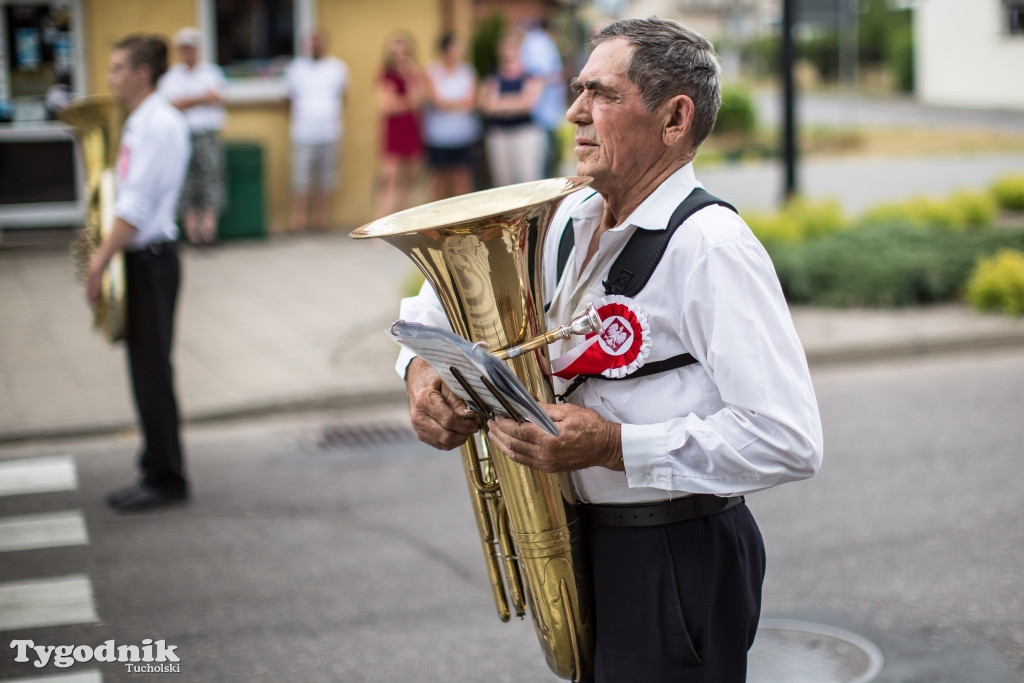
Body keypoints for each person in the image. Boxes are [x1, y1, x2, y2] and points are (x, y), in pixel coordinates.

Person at [396, 17, 823, 681]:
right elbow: (430, 304)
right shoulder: (567, 213)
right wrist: (421, 376)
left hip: (677, 552)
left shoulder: (712, 246)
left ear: (675, 118)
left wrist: (614, 445)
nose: (573, 113)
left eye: (603, 95)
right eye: (577, 91)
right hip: (586, 539)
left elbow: (788, 438)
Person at [91, 34, 191, 512]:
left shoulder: (157, 124)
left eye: (116, 68)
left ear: (141, 74)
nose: (110, 78)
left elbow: (136, 205)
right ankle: (155, 465)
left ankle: (166, 477)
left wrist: (99, 257)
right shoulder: (142, 121)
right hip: (143, 257)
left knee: (152, 370)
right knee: (145, 368)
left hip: (150, 257)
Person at [159, 27, 227, 246]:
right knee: (186, 183)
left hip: (207, 135)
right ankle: (192, 234)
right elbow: (173, 104)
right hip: (181, 136)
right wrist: (201, 98)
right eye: (184, 49)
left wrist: (188, 101)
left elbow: (215, 98)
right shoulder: (171, 77)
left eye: (192, 48)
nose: (188, 52)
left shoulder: (211, 72)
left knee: (211, 179)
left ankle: (209, 232)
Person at [284, 29, 349, 233]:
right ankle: (298, 221)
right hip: (303, 133)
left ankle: (320, 220)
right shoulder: (295, 69)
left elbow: (344, 96)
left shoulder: (338, 68)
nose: (315, 45)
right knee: (300, 179)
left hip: (330, 132)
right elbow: (287, 99)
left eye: (318, 41)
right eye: (311, 42)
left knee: (325, 179)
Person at [478, 30, 545, 187]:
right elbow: (486, 106)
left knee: (528, 177)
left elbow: (528, 104)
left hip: (525, 133)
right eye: (503, 48)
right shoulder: (492, 75)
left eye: (510, 47)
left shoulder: (531, 74)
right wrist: (516, 101)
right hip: (499, 134)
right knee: (502, 181)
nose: (507, 52)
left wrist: (500, 103)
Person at [423, 33, 481, 201]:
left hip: (464, 134)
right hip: (439, 136)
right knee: (440, 178)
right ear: (447, 49)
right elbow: (436, 101)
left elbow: (471, 102)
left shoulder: (468, 71)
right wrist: (459, 104)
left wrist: (449, 104)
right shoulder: (432, 71)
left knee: (463, 176)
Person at [376, 32, 425, 217]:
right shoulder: (385, 75)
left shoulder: (415, 74)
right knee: (390, 179)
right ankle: (382, 224)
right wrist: (407, 102)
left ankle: (407, 223)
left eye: (403, 53)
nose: (400, 57)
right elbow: (387, 107)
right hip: (394, 130)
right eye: (395, 53)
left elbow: (418, 100)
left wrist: (410, 79)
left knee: (410, 180)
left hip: (411, 128)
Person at [520, 17, 567, 177]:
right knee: (544, 158)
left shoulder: (535, 41)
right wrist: (558, 77)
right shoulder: (539, 42)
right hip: (543, 109)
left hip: (546, 108)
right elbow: (541, 73)